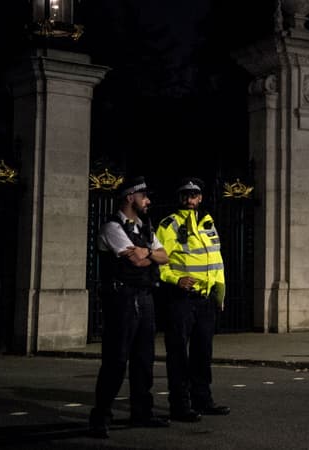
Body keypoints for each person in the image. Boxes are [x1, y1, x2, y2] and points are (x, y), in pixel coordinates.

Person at [88, 176, 170, 438]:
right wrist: (148, 254)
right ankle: (101, 416)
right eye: (143, 196)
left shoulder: (145, 227)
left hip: (144, 297)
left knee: (143, 359)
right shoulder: (112, 227)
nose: (148, 201)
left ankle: (141, 412)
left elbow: (164, 256)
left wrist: (145, 252)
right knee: (116, 360)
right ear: (129, 197)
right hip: (121, 299)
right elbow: (136, 261)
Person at [156, 177, 230, 422]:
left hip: (206, 300)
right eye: (185, 195)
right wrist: (175, 279)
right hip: (181, 299)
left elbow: (217, 262)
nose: (189, 200)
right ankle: (179, 404)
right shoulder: (170, 224)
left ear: (200, 198)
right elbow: (160, 261)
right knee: (178, 353)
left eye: (194, 195)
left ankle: (203, 400)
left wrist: (219, 294)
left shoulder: (208, 223)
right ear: (180, 198)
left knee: (202, 354)